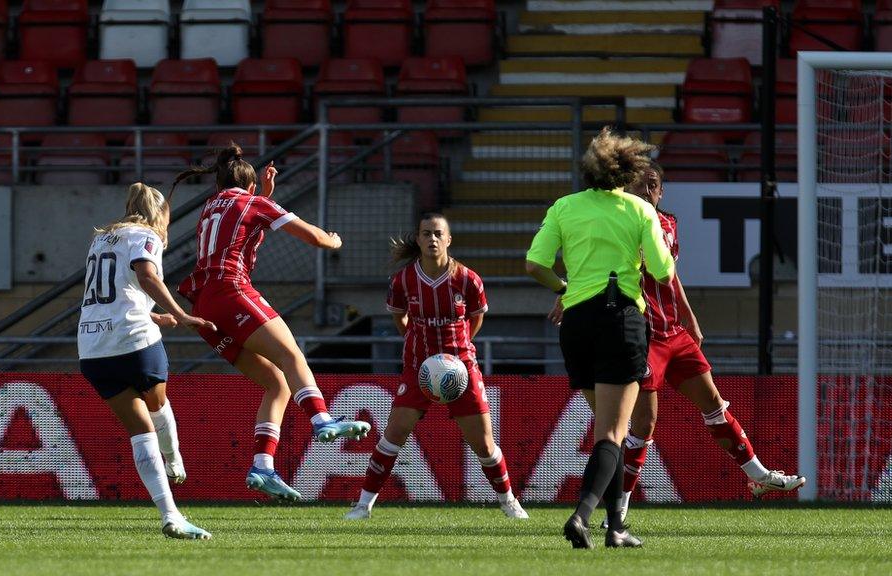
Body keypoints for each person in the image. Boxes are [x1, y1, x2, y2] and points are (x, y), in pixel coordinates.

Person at [606, 161, 804, 527]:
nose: (647, 190)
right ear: (627, 189)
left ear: (661, 191)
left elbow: (670, 275)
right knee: (644, 425)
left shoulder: (668, 224)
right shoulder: (621, 225)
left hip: (674, 334)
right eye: (640, 184)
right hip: (643, 336)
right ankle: (617, 512)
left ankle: (758, 476)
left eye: (653, 185)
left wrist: (690, 316)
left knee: (713, 404)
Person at [171, 143, 371, 502]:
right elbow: (314, 237)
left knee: (276, 384)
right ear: (249, 187)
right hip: (230, 290)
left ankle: (262, 466)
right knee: (292, 355)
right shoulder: (253, 203)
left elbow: (241, 228)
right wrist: (334, 241)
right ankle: (322, 420)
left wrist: (262, 194)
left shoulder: (210, 207)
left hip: (203, 307)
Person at [525, 127, 674, 550]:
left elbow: (535, 264)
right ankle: (581, 516)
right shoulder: (639, 211)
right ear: (628, 172)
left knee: (607, 432)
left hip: (576, 324)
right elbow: (663, 273)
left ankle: (617, 529)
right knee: (613, 432)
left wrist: (565, 289)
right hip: (620, 320)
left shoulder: (564, 207)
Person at [344, 213, 528, 520]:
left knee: (484, 444)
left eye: (438, 233)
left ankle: (509, 502)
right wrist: (419, 347)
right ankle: (363, 506)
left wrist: (458, 350)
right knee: (393, 435)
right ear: (417, 239)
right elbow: (399, 317)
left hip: (461, 369)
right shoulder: (403, 280)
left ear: (448, 239)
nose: (432, 239)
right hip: (419, 369)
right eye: (426, 233)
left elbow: (476, 317)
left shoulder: (468, 279)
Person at [77, 183, 216, 540]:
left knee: (141, 433)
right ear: (159, 215)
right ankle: (175, 458)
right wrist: (180, 314)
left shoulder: (101, 239)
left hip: (93, 349)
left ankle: (171, 515)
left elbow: (112, 296)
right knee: (158, 405)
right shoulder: (145, 236)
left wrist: (154, 316)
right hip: (133, 343)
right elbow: (146, 276)